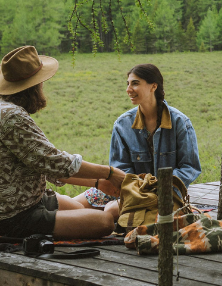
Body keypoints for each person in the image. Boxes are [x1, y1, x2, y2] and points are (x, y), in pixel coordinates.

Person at [0, 45, 126, 239]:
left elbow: (47, 166)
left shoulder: (2, 110)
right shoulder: (11, 117)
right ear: (32, 87)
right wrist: (109, 173)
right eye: (41, 83)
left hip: (25, 202)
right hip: (15, 216)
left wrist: (97, 182)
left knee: (77, 207)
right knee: (104, 222)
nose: (43, 87)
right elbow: (57, 163)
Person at [75, 63, 202, 210]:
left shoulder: (180, 122)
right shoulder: (122, 124)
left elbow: (190, 167)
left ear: (153, 86)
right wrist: (138, 188)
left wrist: (161, 187)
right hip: (128, 190)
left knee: (110, 212)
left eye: (135, 84)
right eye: (128, 84)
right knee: (70, 206)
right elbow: (119, 166)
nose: (129, 90)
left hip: (167, 194)